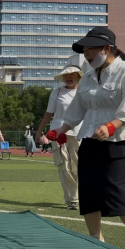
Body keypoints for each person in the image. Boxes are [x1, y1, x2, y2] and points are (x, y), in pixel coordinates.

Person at [55, 26, 125, 249]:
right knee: (88, 187)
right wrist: (62, 129)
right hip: (90, 138)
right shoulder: (88, 76)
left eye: (90, 49)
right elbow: (76, 109)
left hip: (120, 139)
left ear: (107, 48)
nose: (87, 54)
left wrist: (112, 125)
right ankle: (95, 239)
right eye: (84, 51)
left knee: (115, 185)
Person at [36, 65, 84, 210]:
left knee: (78, 167)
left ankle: (81, 195)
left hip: (79, 133)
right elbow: (48, 113)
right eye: (65, 75)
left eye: (72, 75)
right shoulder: (56, 93)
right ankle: (72, 199)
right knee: (63, 166)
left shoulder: (84, 92)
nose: (68, 78)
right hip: (58, 134)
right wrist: (39, 131)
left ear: (79, 76)